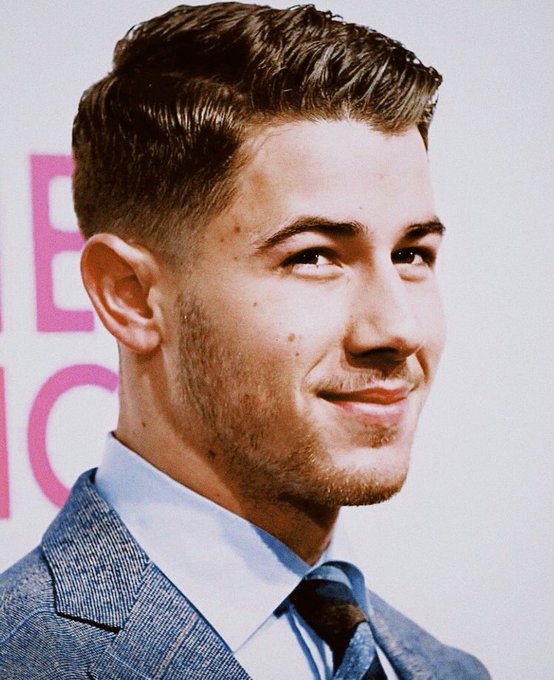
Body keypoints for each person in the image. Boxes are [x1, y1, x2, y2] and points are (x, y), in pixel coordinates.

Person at [0, 3, 490, 678]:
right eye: (313, 256)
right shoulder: (25, 657)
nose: (396, 328)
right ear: (130, 295)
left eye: (412, 254)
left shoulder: (448, 669)